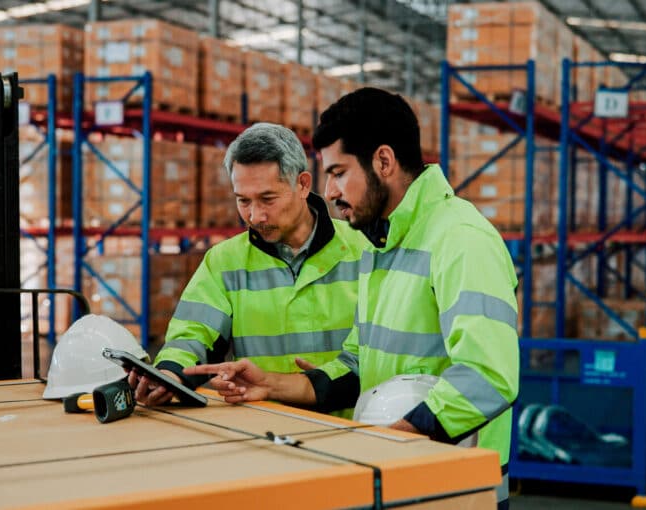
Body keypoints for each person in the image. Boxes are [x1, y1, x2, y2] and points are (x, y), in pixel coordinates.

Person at [185, 88, 519, 509]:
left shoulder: (461, 240)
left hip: (455, 483)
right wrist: (273, 384)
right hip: (402, 474)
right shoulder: (380, 245)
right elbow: (359, 362)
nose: (329, 191)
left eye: (338, 172)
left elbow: (490, 375)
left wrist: (393, 437)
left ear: (383, 161)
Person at [130, 122, 368, 417]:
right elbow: (192, 333)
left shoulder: (365, 250)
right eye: (243, 201)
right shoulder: (224, 262)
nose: (255, 216)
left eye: (268, 199)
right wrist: (171, 373)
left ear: (303, 184)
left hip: (355, 428)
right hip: (263, 428)